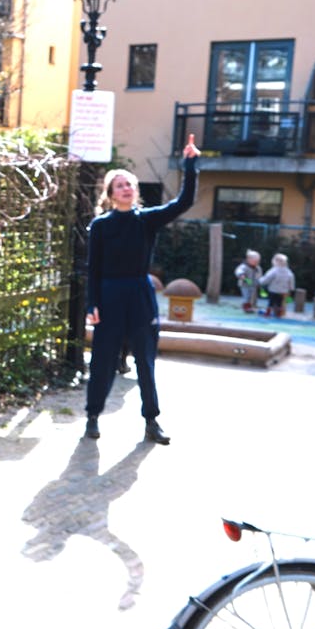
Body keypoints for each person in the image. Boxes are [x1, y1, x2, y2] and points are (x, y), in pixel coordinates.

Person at [84, 134, 201, 445]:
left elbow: (184, 202)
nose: (126, 187)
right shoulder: (100, 226)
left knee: (146, 361)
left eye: (129, 183)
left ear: (135, 191)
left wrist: (191, 164)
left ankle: (152, 421)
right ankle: (92, 417)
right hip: (109, 296)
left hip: (140, 294)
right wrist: (90, 304)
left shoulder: (147, 220)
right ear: (110, 193)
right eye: (120, 184)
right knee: (103, 360)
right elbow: (92, 269)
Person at [259, 252, 296, 317]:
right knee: (280, 303)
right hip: (283, 291)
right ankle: (279, 313)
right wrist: (291, 288)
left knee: (271, 302)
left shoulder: (274, 270)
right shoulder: (288, 272)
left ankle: (268, 313)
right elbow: (291, 280)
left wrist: (260, 281)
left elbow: (267, 278)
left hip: (273, 290)